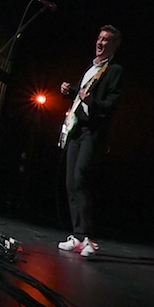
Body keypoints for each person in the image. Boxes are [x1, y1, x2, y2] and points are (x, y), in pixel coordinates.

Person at [58, 25, 124, 257]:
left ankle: (88, 238)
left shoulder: (114, 70)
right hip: (77, 129)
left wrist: (93, 101)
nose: (100, 42)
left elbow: (111, 105)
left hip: (92, 131)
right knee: (70, 181)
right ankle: (77, 236)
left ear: (114, 45)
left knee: (80, 178)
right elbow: (82, 95)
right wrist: (71, 90)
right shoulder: (91, 68)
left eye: (106, 40)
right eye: (99, 38)